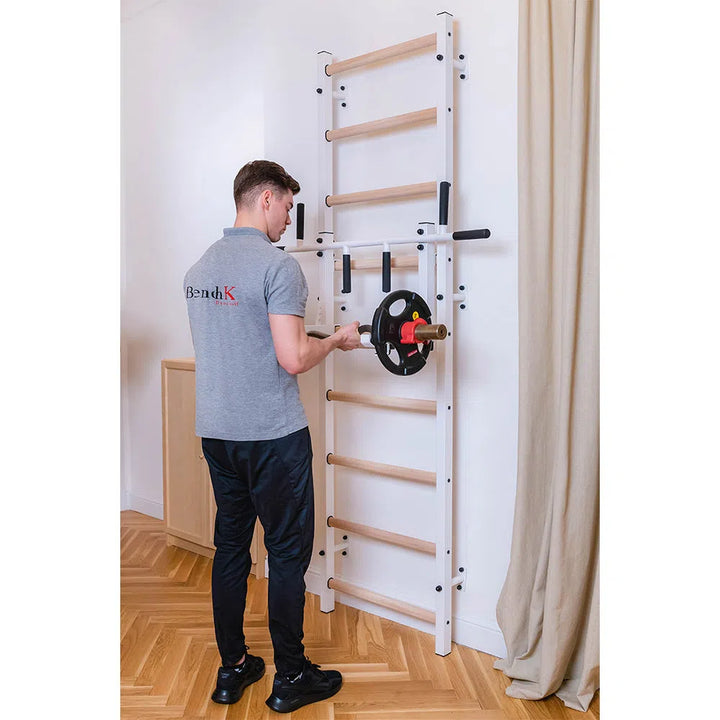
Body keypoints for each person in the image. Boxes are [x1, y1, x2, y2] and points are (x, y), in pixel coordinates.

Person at [184, 160, 362, 713]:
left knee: (231, 549)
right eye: (286, 205)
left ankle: (231, 669)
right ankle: (290, 678)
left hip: (218, 436)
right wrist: (334, 341)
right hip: (272, 438)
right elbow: (292, 359)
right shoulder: (278, 268)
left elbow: (239, 342)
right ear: (265, 198)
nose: (288, 218)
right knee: (286, 555)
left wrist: (299, 336)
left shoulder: (197, 270)